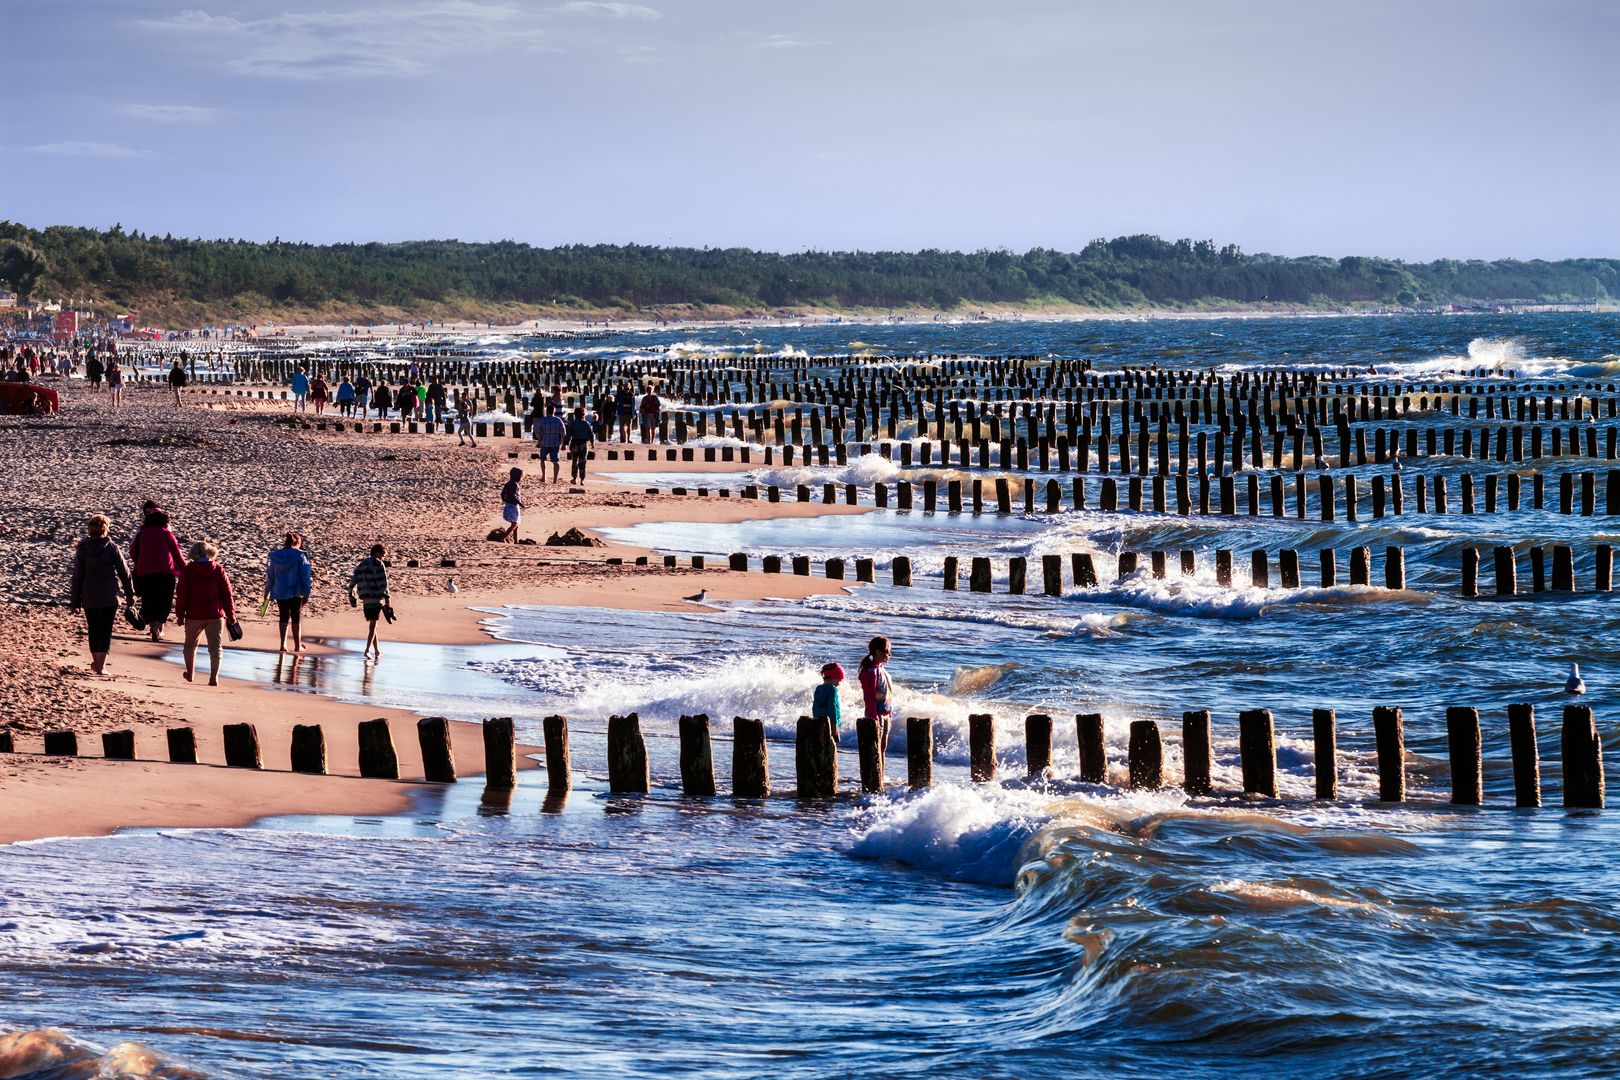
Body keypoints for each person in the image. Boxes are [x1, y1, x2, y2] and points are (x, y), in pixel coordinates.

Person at [69, 514, 134, 675]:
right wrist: (130, 594)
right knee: (105, 629)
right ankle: (101, 666)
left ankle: (96, 664)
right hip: (109, 596)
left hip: (90, 596)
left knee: (94, 629)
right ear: (106, 529)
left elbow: (77, 576)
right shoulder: (112, 548)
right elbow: (124, 573)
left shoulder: (83, 549)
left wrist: (75, 602)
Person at [174, 540, 236, 686]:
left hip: (194, 614)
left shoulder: (188, 570)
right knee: (215, 648)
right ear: (210, 553)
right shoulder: (218, 569)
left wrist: (180, 615)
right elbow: (227, 594)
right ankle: (214, 677)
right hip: (215, 614)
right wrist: (231, 614)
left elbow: (182, 594)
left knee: (190, 646)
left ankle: (190, 674)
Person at [129, 502, 185, 641]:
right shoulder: (167, 534)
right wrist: (184, 569)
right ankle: (158, 625)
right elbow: (177, 553)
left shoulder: (142, 533)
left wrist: (139, 561)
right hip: (165, 572)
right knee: (164, 600)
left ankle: (152, 625)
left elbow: (132, 551)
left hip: (145, 571)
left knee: (149, 600)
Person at [265, 531, 313, 653]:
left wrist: (267, 591)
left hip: (279, 589)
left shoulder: (274, 555)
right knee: (296, 616)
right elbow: (305, 575)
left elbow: (270, 575)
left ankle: (283, 644)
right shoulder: (301, 555)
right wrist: (307, 592)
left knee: (283, 615)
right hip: (295, 589)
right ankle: (297, 645)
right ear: (297, 543)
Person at [348, 543, 391, 661]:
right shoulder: (378, 563)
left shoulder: (361, 564)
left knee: (373, 625)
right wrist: (387, 599)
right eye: (382, 555)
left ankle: (377, 651)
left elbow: (352, 582)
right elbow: (383, 583)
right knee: (373, 626)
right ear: (377, 553)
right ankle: (367, 650)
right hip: (375, 598)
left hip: (365, 599)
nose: (382, 558)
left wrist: (352, 596)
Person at [858, 636, 893, 752]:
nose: (890, 654)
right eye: (887, 651)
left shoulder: (883, 671)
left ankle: (882, 771)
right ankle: (877, 770)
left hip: (885, 714)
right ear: (878, 652)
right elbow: (869, 697)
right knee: (875, 749)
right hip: (876, 715)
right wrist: (874, 717)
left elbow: (888, 695)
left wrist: (890, 713)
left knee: (882, 749)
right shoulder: (871, 673)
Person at [534, 407, 565, 484]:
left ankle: (544, 476)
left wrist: (540, 439)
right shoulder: (558, 420)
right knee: (555, 461)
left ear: (546, 411)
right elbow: (563, 432)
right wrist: (561, 441)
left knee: (542, 460)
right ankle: (555, 479)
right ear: (554, 411)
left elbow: (537, 431)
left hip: (544, 442)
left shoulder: (542, 420)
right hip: (555, 443)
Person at [565, 405, 595, 484]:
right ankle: (582, 479)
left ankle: (574, 478)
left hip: (574, 443)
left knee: (574, 461)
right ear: (583, 415)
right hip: (583, 444)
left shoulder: (572, 424)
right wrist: (592, 442)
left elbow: (568, 435)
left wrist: (565, 443)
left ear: (575, 414)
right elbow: (591, 434)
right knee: (582, 461)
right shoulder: (586, 424)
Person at [814, 662, 845, 733]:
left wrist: (815, 719)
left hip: (819, 723)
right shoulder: (832, 689)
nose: (839, 682)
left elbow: (814, 707)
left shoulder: (818, 688)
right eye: (838, 679)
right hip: (830, 725)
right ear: (831, 678)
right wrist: (834, 725)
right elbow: (832, 708)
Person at [500, 467, 524, 541]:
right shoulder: (515, 484)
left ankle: (515, 540)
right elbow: (514, 495)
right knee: (515, 524)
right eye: (520, 476)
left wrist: (505, 500)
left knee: (516, 524)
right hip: (513, 506)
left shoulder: (507, 484)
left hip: (508, 505)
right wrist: (520, 503)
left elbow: (502, 494)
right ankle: (503, 537)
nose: (521, 478)